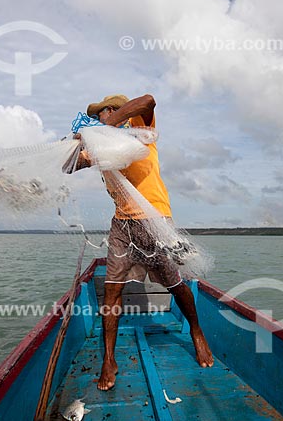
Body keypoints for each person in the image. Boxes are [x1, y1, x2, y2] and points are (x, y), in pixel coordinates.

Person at [75, 94, 213, 391]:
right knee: (112, 292)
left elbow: (148, 100)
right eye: (100, 116)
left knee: (174, 284)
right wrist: (78, 143)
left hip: (155, 223)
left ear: (118, 112)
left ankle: (197, 332)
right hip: (121, 226)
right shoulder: (103, 148)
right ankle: (109, 359)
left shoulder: (141, 132)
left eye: (106, 113)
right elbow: (71, 166)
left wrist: (111, 123)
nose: (102, 118)